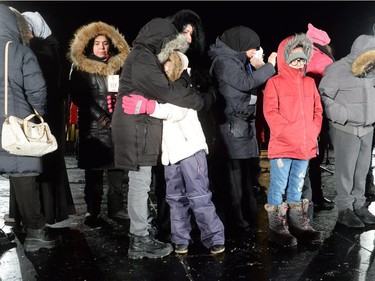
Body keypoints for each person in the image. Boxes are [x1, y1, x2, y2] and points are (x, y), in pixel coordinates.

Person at [111, 17, 212, 259]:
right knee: (140, 183)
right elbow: (166, 89)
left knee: (141, 182)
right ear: (162, 39)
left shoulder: (143, 56)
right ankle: (139, 238)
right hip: (137, 129)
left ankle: (143, 230)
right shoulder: (143, 57)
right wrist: (198, 100)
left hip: (141, 127)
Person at [123, 51, 225, 255]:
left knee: (200, 196)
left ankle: (214, 238)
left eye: (168, 63)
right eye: (163, 64)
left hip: (190, 151)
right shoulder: (159, 88)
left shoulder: (182, 86)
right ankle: (180, 240)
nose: (165, 67)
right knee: (175, 198)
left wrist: (149, 107)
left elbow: (177, 111)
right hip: (170, 156)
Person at [0, 4, 61, 252]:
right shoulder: (18, 51)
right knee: (24, 176)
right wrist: (37, 115)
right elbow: (37, 90)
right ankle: (35, 232)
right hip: (15, 123)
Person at [208, 26, 277, 236]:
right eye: (252, 48)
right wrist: (269, 66)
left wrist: (257, 67)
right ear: (241, 45)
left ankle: (246, 218)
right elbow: (244, 83)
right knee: (234, 178)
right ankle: (236, 223)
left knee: (245, 177)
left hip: (242, 125)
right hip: (231, 127)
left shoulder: (238, 62)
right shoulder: (223, 62)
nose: (254, 52)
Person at [67, 21, 130, 228]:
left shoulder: (118, 66)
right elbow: (80, 97)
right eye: (97, 44)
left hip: (117, 128)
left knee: (117, 175)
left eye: (104, 43)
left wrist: (119, 117)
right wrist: (102, 117)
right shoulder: (81, 68)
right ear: (89, 46)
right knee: (93, 178)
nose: (101, 47)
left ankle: (116, 210)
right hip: (93, 131)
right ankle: (92, 212)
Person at [263, 33, 324, 247]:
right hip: (283, 145)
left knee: (297, 186)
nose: (298, 63)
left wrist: (313, 130)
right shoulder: (274, 83)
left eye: (301, 59)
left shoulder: (309, 83)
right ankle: (277, 227)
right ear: (285, 58)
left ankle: (298, 224)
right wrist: (291, 133)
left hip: (304, 146)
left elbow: (318, 110)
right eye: (294, 58)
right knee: (278, 186)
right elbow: (271, 113)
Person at [319, 34, 375, 228]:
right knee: (345, 172)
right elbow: (324, 97)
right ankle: (345, 210)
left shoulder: (371, 69)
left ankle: (359, 206)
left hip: (368, 129)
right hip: (346, 129)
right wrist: (343, 115)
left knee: (362, 171)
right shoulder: (337, 69)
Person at [303, 23, 335, 211]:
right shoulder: (323, 58)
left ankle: (311, 196)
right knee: (316, 156)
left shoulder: (305, 55)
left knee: (309, 158)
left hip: (305, 112)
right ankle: (316, 196)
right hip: (319, 112)